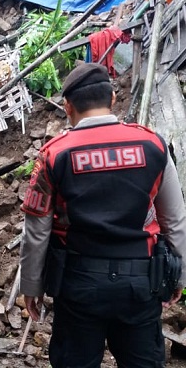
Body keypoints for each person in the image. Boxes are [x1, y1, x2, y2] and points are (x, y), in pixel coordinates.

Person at [20, 63, 186, 367]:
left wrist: (31, 287)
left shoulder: (54, 155)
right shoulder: (153, 145)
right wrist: (180, 276)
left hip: (79, 285)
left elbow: (37, 231)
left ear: (68, 107)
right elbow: (175, 220)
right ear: (112, 98)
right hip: (141, 285)